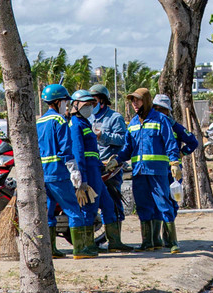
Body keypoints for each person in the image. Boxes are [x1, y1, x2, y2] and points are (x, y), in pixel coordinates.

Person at [119, 87, 198, 253]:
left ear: (146, 101)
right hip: (139, 172)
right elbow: (127, 148)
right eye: (132, 100)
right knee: (143, 205)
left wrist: (175, 162)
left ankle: (171, 242)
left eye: (137, 100)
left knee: (164, 203)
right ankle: (148, 242)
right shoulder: (133, 123)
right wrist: (116, 160)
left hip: (157, 171)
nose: (134, 104)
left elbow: (170, 143)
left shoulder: (161, 120)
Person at [37, 84, 97, 259]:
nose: (66, 104)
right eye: (64, 101)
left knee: (48, 212)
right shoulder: (60, 120)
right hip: (59, 173)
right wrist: (74, 170)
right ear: (57, 102)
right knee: (73, 210)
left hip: (44, 174)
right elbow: (65, 148)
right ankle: (80, 249)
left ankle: (51, 249)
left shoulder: (39, 121)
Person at [70, 89, 131, 252]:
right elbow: (78, 153)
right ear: (75, 105)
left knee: (109, 205)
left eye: (92, 104)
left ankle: (114, 242)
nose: (90, 107)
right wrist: (82, 178)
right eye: (86, 104)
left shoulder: (86, 123)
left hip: (97, 169)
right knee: (90, 208)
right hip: (88, 171)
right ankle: (86, 245)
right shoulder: (75, 124)